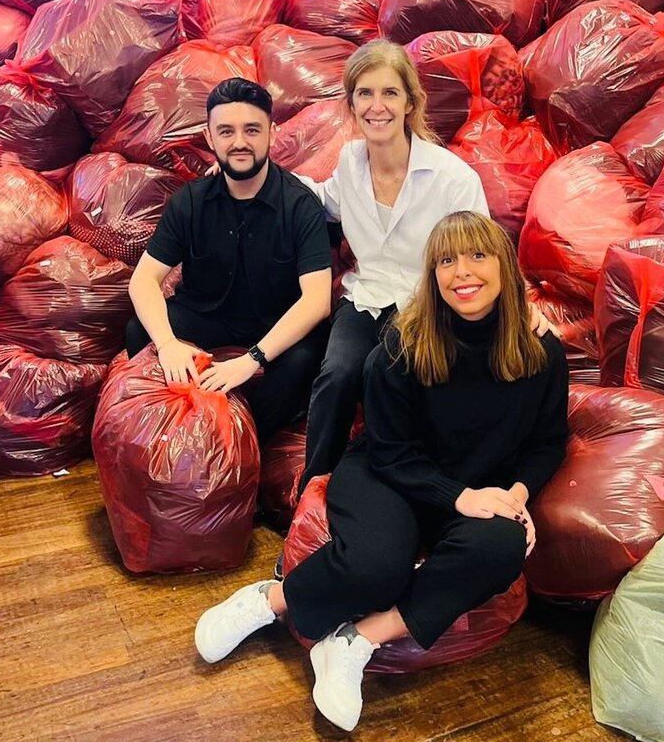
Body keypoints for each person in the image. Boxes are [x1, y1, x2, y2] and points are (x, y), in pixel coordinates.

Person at [193, 211, 569, 732]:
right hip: (388, 475)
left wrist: (516, 496)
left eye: (478, 256)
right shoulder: (402, 344)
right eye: (446, 260)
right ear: (432, 275)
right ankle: (269, 599)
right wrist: (460, 497)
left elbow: (548, 442)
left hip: (477, 488)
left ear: (506, 267)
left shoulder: (541, 351)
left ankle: (356, 640)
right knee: (377, 564)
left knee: (502, 548)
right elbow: (393, 453)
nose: (463, 271)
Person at [291, 38, 549, 496]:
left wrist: (522, 302)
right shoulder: (350, 164)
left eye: (389, 93)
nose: (377, 106)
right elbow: (320, 201)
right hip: (367, 295)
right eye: (365, 94)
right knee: (336, 376)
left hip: (427, 303)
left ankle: (381, 492)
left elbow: (484, 250)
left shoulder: (452, 178)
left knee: (381, 371)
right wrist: (255, 177)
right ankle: (312, 499)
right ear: (350, 105)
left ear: (411, 102)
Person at [125, 77, 332, 443]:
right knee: (139, 332)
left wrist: (252, 359)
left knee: (305, 360)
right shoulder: (190, 202)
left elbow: (316, 301)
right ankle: (176, 428)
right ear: (209, 137)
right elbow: (143, 281)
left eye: (251, 130)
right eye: (226, 131)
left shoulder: (299, 205)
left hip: (273, 324)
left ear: (272, 132)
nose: (239, 143)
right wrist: (169, 344)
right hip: (207, 314)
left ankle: (238, 441)